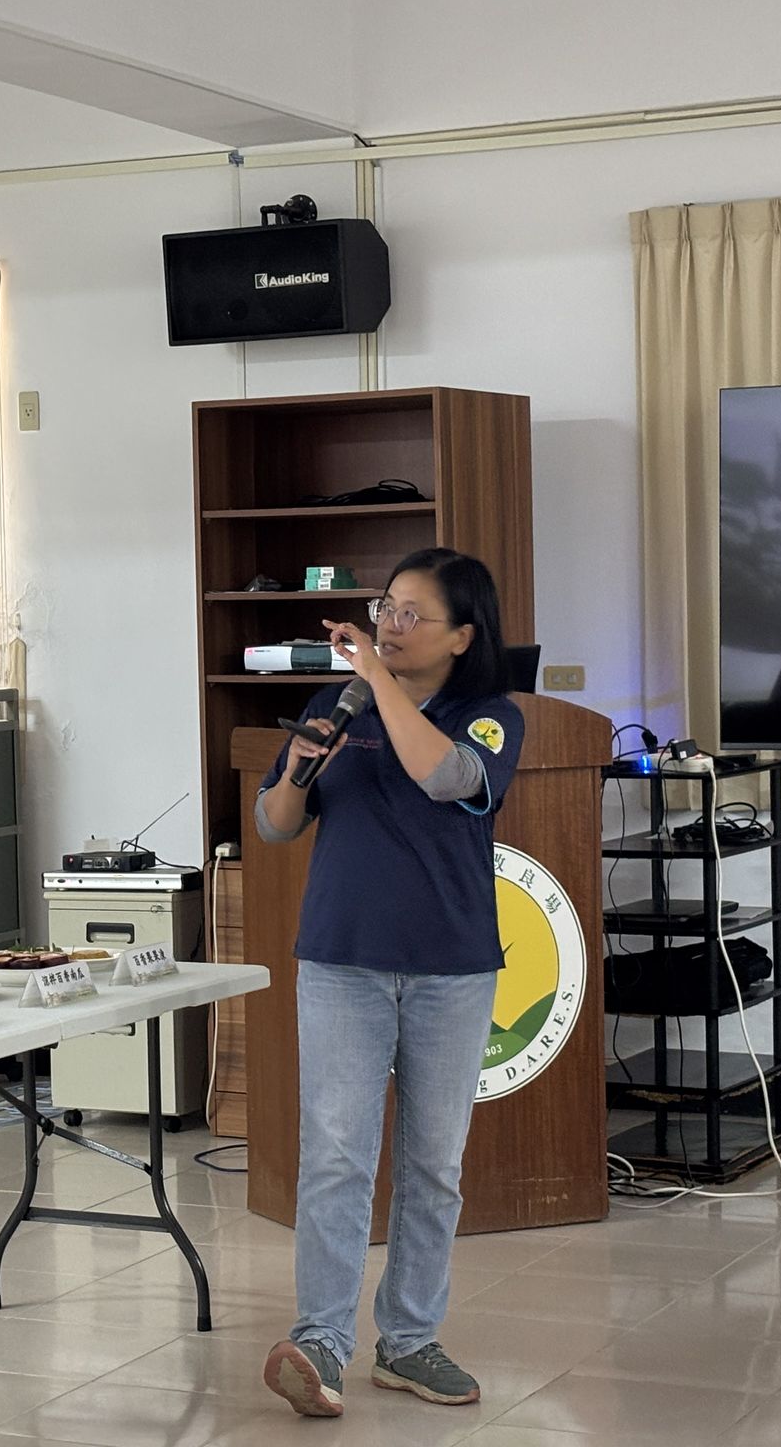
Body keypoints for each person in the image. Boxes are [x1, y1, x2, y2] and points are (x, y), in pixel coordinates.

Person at [256, 547, 524, 1419]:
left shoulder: (489, 716)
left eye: (412, 614)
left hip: (450, 967)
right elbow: (274, 824)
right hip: (342, 960)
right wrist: (301, 766)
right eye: (387, 608)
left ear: (462, 635)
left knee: (432, 1165)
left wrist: (374, 677)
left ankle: (408, 1342)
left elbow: (447, 777)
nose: (389, 625)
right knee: (335, 1154)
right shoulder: (335, 706)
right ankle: (323, 1345)